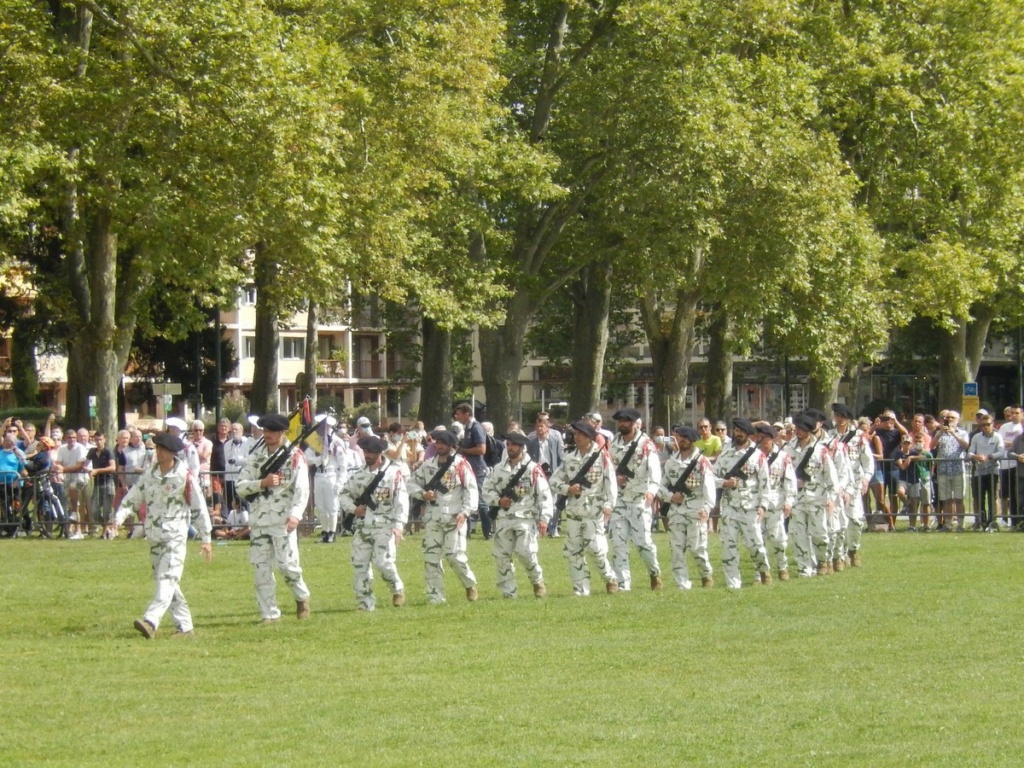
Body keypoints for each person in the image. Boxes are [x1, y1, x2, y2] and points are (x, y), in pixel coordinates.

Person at [113, 432, 212, 639]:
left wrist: (206, 538)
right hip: (155, 537)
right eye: (156, 449)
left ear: (171, 452)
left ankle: (151, 621)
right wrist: (118, 518)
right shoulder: (150, 475)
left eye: (161, 449)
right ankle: (185, 627)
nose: (157, 452)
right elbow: (133, 498)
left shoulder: (184, 477)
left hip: (175, 537)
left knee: (167, 579)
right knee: (166, 581)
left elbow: (199, 508)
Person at [235, 413, 312, 623]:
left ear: (282, 432)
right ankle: (269, 613)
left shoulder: (294, 455)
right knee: (261, 570)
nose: (267, 435)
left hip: (283, 520)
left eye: (272, 431)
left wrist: (296, 514)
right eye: (265, 431)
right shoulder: (255, 456)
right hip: (259, 520)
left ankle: (301, 596)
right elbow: (240, 486)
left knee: (287, 565)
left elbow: (302, 489)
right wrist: (262, 483)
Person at [408, 429, 480, 604]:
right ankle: (435, 597)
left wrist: (466, 511)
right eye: (437, 443)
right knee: (431, 558)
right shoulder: (427, 465)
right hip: (433, 518)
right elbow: (410, 483)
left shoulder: (461, 465)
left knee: (454, 556)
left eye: (442, 443)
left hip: (455, 517)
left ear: (451, 445)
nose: (439, 446)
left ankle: (469, 585)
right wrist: (423, 494)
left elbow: (471, 489)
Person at [549, 420, 619, 596]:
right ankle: (580, 589)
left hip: (593, 512)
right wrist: (568, 489)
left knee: (596, 550)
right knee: (574, 553)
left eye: (581, 434)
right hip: (574, 512)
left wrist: (609, 504)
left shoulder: (601, 457)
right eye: (575, 433)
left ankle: (610, 578)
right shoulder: (569, 457)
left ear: (589, 437)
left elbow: (611, 483)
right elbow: (554, 481)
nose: (576, 437)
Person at [339, 435, 408, 610]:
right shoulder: (358, 475)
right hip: (362, 527)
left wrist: (399, 526)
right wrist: (353, 510)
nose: (367, 455)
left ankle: (397, 589)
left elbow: (401, 501)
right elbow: (344, 494)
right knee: (359, 565)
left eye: (370, 452)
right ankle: (365, 603)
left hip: (385, 526)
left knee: (383, 562)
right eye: (365, 451)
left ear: (379, 453)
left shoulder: (393, 473)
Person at [482, 431, 553, 599]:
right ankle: (509, 592)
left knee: (526, 552)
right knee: (501, 556)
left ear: (522, 447)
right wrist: (498, 501)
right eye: (508, 444)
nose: (510, 447)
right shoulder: (498, 469)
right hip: (504, 518)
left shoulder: (532, 469)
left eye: (513, 445)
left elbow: (544, 494)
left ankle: (537, 581)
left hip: (525, 518)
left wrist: (544, 518)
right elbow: (486, 489)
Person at [607, 408, 663, 591]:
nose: (622, 424)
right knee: (618, 543)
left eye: (626, 421)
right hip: (619, 499)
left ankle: (654, 573)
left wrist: (651, 492)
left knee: (643, 543)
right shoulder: (613, 443)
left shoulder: (646, 444)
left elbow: (655, 472)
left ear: (634, 423)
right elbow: (607, 468)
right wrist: (615, 479)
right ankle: (623, 584)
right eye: (620, 421)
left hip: (640, 499)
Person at [714, 418, 772, 588]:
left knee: (756, 545)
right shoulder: (725, 454)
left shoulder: (757, 456)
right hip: (730, 507)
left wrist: (763, 506)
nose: (737, 434)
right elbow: (711, 476)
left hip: (751, 507)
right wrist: (724, 483)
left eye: (741, 431)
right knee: (728, 546)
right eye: (735, 431)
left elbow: (765, 484)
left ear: (748, 434)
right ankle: (733, 583)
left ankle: (763, 571)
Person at [658, 425, 715, 589]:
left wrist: (707, 508)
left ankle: (706, 574)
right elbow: (660, 486)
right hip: (676, 512)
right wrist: (670, 497)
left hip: (696, 511)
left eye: (686, 437)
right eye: (680, 437)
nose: (682, 440)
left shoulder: (702, 462)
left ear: (693, 440)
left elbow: (709, 488)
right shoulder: (671, 462)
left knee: (697, 549)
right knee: (676, 550)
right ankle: (682, 584)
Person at [784, 413, 838, 577]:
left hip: (817, 498)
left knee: (820, 535)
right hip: (797, 500)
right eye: (796, 428)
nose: (798, 431)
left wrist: (831, 498)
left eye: (802, 429)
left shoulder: (821, 450)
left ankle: (823, 560)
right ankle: (804, 567)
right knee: (798, 535)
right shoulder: (787, 449)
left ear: (809, 430)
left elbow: (831, 477)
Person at [832, 403, 874, 565]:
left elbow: (868, 460)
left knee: (856, 520)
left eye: (843, 416)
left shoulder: (859, 436)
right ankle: (840, 554)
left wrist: (866, 478)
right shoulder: (830, 436)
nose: (840, 419)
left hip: (855, 483)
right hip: (837, 484)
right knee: (839, 522)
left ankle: (853, 549)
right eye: (838, 415)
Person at [756, 423, 795, 581]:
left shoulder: (782, 457)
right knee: (758, 540)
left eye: (764, 438)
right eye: (759, 437)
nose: (761, 440)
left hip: (775, 503)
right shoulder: (752, 456)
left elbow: (790, 480)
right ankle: (761, 572)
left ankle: (782, 567)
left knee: (778, 539)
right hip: (756, 503)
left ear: (772, 439)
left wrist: (789, 501)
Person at [453, 403, 491, 541]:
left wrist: (463, 451)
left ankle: (488, 531)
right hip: (467, 469)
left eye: (459, 414)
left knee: (481, 502)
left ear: (467, 414)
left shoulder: (476, 428)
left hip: (477, 469)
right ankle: (466, 531)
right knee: (465, 500)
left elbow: (482, 449)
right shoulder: (467, 429)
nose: (457, 417)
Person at [308, 416, 348, 544]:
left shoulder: (336, 442)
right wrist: (317, 460)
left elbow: (343, 464)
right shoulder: (315, 441)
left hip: (331, 475)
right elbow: (306, 458)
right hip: (319, 474)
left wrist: (340, 481)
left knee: (332, 506)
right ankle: (324, 532)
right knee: (320, 506)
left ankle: (332, 532)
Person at [931, 410, 969, 531]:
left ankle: (961, 524)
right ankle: (947, 524)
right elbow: (931, 446)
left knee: (958, 499)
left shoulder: (962, 433)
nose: (950, 420)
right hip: (943, 470)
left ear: (958, 420)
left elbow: (965, 445)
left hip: (958, 469)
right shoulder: (939, 433)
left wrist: (954, 433)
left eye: (952, 418)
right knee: (946, 499)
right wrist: (940, 433)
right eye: (947, 417)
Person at [527, 415, 565, 536]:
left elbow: (561, 456)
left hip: (552, 473)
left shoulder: (554, 439)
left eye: (542, 426)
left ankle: (553, 528)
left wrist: (560, 473)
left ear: (547, 428)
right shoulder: (531, 441)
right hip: (538, 474)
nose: (539, 429)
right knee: (537, 500)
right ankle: (538, 527)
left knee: (553, 501)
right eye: (537, 427)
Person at [968, 414, 1003, 532]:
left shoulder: (997, 436)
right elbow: (970, 452)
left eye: (988, 424)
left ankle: (993, 521)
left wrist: (988, 457)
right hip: (979, 472)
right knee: (979, 497)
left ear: (992, 424)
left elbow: (1001, 452)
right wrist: (976, 456)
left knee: (993, 497)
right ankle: (981, 521)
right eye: (983, 425)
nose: (986, 427)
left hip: (993, 471)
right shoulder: (976, 437)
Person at [55, 428, 90, 539]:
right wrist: (59, 470)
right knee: (72, 505)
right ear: (65, 438)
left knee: (73, 488)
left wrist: (63, 469)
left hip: (81, 477)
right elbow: (58, 464)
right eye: (69, 438)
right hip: (68, 477)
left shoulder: (81, 448)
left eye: (74, 437)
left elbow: (79, 466)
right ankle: (75, 531)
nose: (72, 440)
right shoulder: (62, 449)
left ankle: (78, 530)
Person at [86, 432, 118, 539]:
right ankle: (108, 528)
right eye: (96, 440)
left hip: (108, 483)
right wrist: (87, 469)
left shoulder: (108, 451)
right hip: (97, 484)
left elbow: (113, 467)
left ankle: (104, 533)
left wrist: (97, 470)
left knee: (107, 510)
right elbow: (85, 464)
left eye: (100, 439)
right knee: (94, 510)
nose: (98, 442)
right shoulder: (92, 451)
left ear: (105, 439)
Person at [997, 405, 1022, 527]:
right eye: (1012, 413)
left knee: (1018, 494)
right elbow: (1001, 443)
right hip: (1006, 465)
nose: (1013, 415)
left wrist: (1011, 444)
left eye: (1017, 413)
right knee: (1009, 495)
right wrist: (1014, 443)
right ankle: (1013, 521)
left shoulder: (1022, 427)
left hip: (1018, 465)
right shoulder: (1004, 427)